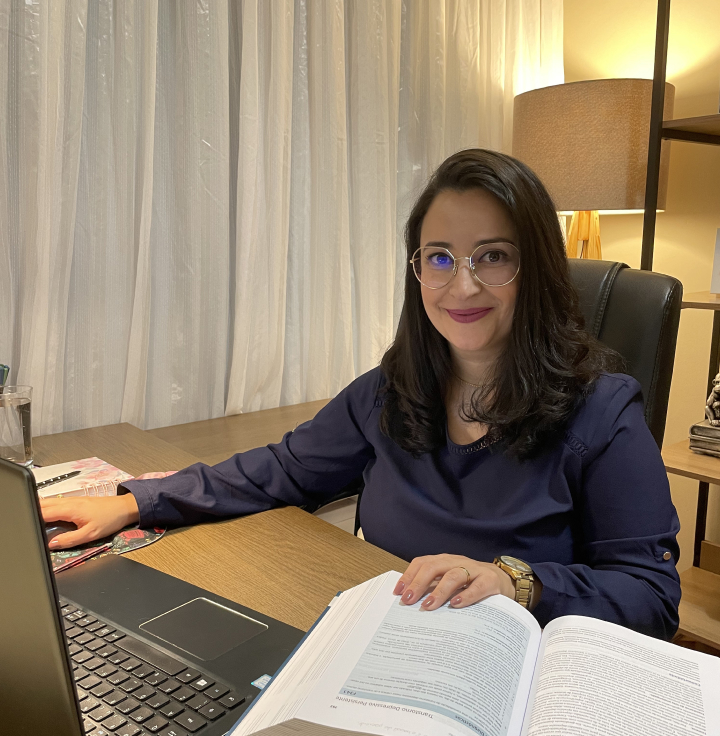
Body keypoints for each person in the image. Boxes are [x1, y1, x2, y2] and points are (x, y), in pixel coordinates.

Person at [41, 148, 681, 640]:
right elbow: (281, 470)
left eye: (492, 256)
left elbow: (651, 596)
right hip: (384, 644)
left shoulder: (603, 412)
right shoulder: (391, 390)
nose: (461, 286)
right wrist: (136, 501)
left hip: (514, 680)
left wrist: (518, 582)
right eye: (439, 257)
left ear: (535, 267)